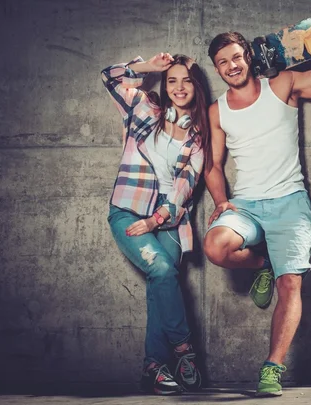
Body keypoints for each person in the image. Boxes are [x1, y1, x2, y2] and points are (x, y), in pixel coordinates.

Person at [203, 2, 311, 397]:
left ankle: (272, 368)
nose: (231, 66)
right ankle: (263, 263)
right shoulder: (216, 111)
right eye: (222, 62)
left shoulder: (282, 84)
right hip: (246, 206)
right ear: (217, 69)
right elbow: (212, 165)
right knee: (215, 247)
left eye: (235, 57)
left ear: (247, 56)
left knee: (290, 286)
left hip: (289, 204)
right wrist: (221, 201)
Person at [101, 52, 209, 395]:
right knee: (163, 272)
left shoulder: (197, 140)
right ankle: (183, 349)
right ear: (165, 84)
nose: (179, 87)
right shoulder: (145, 109)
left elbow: (183, 191)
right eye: (172, 80)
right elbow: (109, 76)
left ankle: (154, 366)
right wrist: (148, 67)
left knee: (158, 286)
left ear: (197, 87)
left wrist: (156, 220)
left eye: (186, 80)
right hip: (128, 210)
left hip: (170, 222)